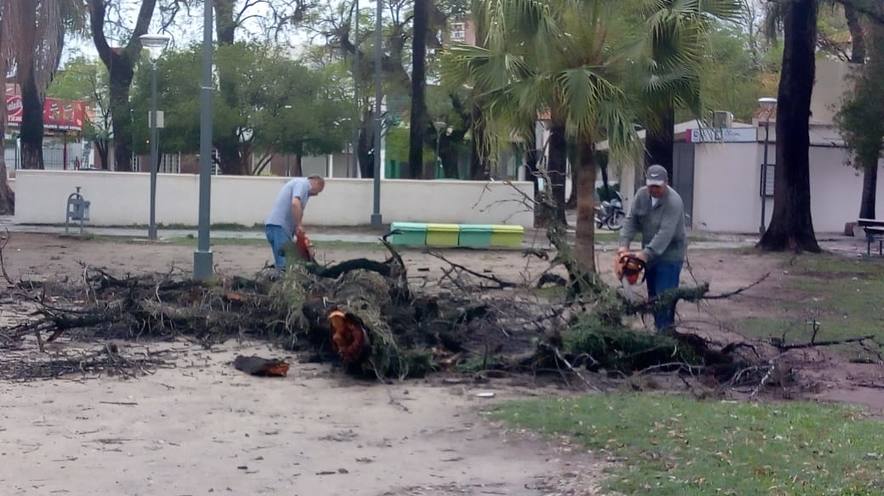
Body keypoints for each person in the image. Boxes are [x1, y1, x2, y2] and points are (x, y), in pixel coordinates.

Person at [617, 164, 686, 331]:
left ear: (666, 183)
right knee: (654, 297)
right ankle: (659, 331)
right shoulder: (641, 196)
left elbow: (665, 233)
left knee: (665, 298)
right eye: (651, 185)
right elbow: (631, 220)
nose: (654, 189)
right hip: (650, 256)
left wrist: (644, 255)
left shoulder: (673, 202)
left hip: (670, 256)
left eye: (657, 186)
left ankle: (666, 336)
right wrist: (623, 246)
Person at [265, 175, 325, 269]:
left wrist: (298, 233)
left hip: (278, 228)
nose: (316, 194)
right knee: (285, 265)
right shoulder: (302, 184)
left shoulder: (302, 188)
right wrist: (299, 225)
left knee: (285, 261)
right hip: (278, 227)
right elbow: (295, 203)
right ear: (316, 182)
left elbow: (298, 210)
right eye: (318, 190)